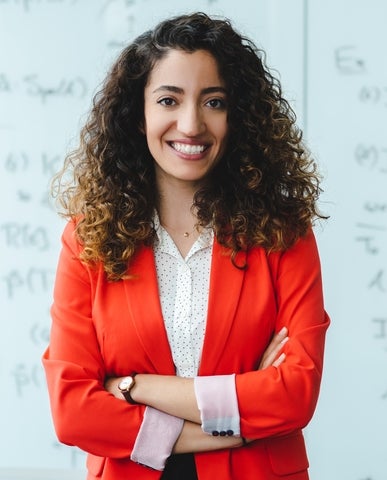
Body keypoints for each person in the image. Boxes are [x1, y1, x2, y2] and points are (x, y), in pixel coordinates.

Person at [42, 11, 330, 480]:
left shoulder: (284, 233)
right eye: (169, 100)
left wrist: (137, 387)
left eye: (214, 101)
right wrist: (239, 423)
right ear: (139, 116)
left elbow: (294, 396)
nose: (191, 124)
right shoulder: (89, 239)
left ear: (238, 116)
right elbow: (73, 412)